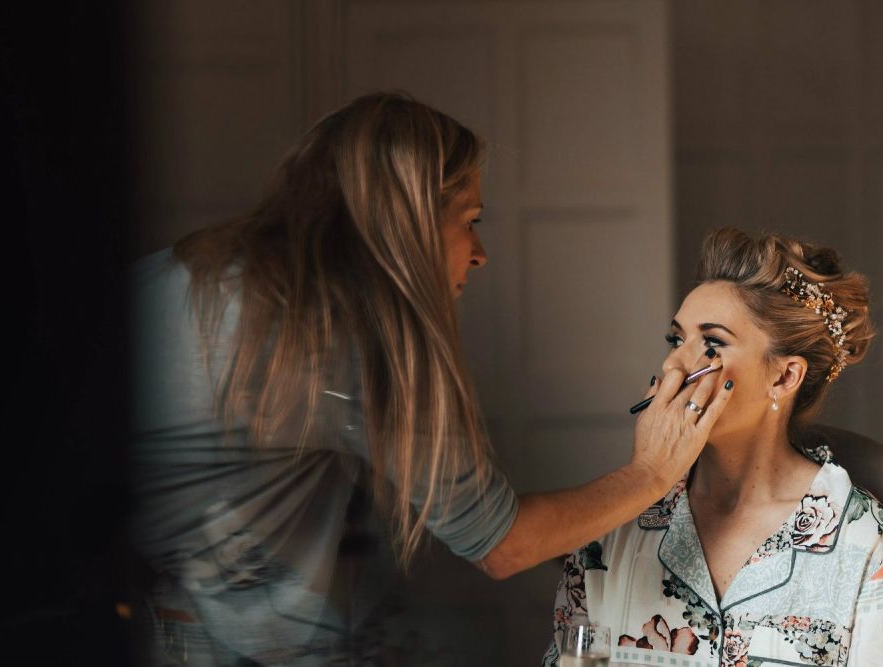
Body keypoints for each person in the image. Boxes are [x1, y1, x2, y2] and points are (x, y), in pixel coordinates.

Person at [129, 92, 734, 666]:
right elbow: (503, 544)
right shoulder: (352, 339)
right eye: (468, 219)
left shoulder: (175, 273)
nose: (479, 252)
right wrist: (652, 473)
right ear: (410, 221)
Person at [541, 228, 883, 666]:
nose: (672, 364)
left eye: (712, 344)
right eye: (675, 340)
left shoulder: (871, 550)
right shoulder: (610, 534)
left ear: (783, 377)